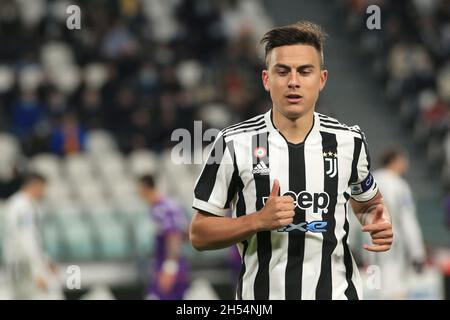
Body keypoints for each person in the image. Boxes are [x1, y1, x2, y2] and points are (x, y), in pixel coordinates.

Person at [190, 21, 393, 300]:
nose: (293, 81)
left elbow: (369, 201)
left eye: (304, 71)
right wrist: (258, 221)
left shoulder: (350, 141)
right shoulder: (232, 143)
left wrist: (376, 219)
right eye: (282, 71)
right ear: (266, 79)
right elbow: (199, 234)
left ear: (321, 80)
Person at [369, 147, 426, 299]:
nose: (406, 164)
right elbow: (408, 220)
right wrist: (417, 253)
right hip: (392, 244)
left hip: (368, 245)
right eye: (403, 160)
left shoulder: (368, 181)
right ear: (395, 161)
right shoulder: (399, 185)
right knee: (394, 289)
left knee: (373, 288)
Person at [2, 172, 63, 299]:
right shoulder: (25, 207)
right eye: (43, 188)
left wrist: (46, 260)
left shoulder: (15, 204)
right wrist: (38, 271)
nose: (43, 193)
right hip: (25, 265)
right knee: (49, 295)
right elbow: (27, 239)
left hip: (16, 264)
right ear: (36, 185)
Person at [138, 174, 189, 300]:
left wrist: (169, 268)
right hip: (175, 265)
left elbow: (173, 236)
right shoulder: (170, 205)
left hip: (168, 267)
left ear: (144, 187)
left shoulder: (160, 209)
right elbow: (186, 232)